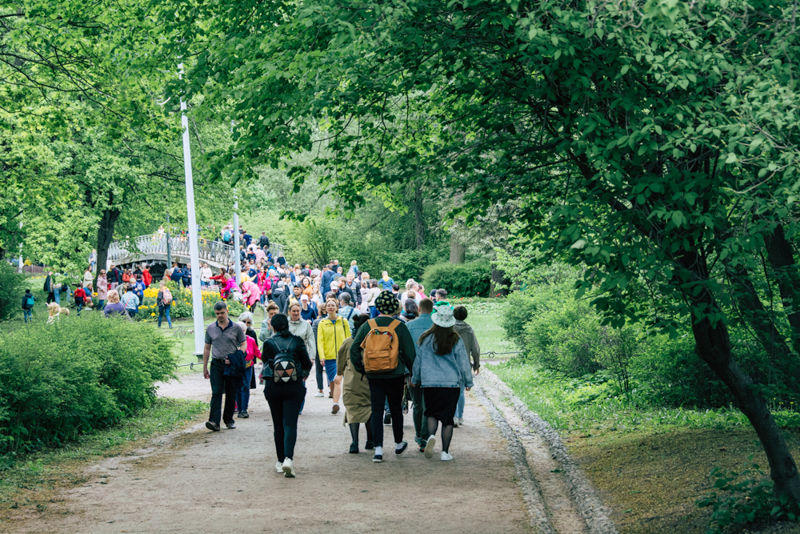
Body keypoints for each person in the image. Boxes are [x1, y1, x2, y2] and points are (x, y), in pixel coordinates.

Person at [350, 290, 417, 463]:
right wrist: (412, 373)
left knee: (377, 410)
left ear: (378, 306)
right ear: (395, 307)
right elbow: (410, 353)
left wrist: (362, 369)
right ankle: (398, 443)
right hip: (394, 373)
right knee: (395, 409)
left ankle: (378, 449)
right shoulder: (399, 326)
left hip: (373, 373)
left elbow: (354, 349)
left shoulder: (368, 325)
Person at [411, 305, 474, 461]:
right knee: (447, 419)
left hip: (430, 383)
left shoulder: (425, 338)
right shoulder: (455, 339)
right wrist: (468, 381)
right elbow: (463, 362)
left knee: (431, 413)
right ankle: (445, 452)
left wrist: (415, 379)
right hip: (451, 384)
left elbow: (418, 362)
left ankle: (431, 436)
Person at [261, 313, 312, 477]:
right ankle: (289, 458)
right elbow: (307, 363)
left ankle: (280, 460)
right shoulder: (297, 341)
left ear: (273, 327)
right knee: (290, 423)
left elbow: (265, 361)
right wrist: (303, 373)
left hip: (273, 386)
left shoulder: (269, 342)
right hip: (293, 386)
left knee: (278, 424)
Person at [203, 302, 247, 432]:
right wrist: (205, 367)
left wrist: (237, 356)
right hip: (216, 363)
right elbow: (207, 348)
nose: (220, 315)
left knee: (230, 392)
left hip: (231, 365)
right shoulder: (211, 328)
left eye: (222, 313)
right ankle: (214, 421)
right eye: (217, 314)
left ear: (227, 311)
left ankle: (228, 419)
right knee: (216, 392)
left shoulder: (236, 328)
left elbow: (243, 344)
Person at [338, 314, 374, 453]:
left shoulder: (348, 342)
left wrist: (340, 372)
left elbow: (340, 362)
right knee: (369, 410)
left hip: (351, 382)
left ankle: (354, 442)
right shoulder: (373, 341)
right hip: (369, 380)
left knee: (352, 410)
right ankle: (370, 440)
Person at [405, 298, 435, 451]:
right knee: (428, 404)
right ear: (432, 309)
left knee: (417, 404)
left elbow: (404, 350)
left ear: (419, 308)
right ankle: (425, 435)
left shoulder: (409, 326)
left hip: (412, 371)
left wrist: (406, 371)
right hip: (433, 372)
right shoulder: (437, 327)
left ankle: (419, 435)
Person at [317, 298, 351, 415]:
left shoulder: (343, 321)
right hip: (329, 356)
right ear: (325, 309)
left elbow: (348, 338)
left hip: (341, 356)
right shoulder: (322, 323)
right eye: (328, 306)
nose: (330, 307)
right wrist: (322, 356)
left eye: (333, 305)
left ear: (337, 308)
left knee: (338, 380)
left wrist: (348, 353)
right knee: (332, 381)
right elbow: (320, 341)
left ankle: (335, 404)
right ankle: (334, 398)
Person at [452, 305, 481, 427]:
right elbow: (475, 349)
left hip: (450, 362)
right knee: (461, 392)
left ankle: (453, 415)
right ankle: (460, 416)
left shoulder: (449, 328)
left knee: (451, 391)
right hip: (464, 363)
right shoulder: (469, 329)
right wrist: (476, 364)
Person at [288, 303, 316, 415]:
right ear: (289, 311)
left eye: (297, 311)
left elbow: (311, 341)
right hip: (287, 357)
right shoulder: (285, 324)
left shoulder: (306, 325)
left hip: (301, 358)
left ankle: (299, 407)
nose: (295, 313)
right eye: (293, 311)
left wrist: (312, 357)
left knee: (300, 384)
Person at [235, 320, 261, 419]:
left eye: (243, 330)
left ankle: (244, 409)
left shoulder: (250, 339)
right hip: (237, 366)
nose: (241, 332)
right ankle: (239, 409)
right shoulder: (233, 340)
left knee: (246, 386)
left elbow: (257, 352)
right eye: (239, 330)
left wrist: (266, 359)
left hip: (248, 366)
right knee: (238, 387)